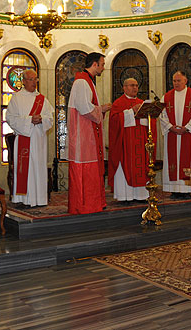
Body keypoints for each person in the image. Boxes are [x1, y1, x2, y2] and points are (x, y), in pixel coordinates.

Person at [67, 52, 111, 214]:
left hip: (88, 134)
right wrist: (102, 109)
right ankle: (84, 205)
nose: (103, 67)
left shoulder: (88, 81)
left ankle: (93, 204)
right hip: (83, 136)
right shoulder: (82, 82)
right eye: (102, 64)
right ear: (95, 64)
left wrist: (100, 110)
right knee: (85, 171)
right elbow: (84, 108)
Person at [6, 69, 54, 207]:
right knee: (25, 169)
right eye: (31, 79)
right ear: (24, 81)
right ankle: (23, 199)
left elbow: (50, 118)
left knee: (38, 168)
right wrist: (29, 120)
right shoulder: (17, 98)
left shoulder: (42, 99)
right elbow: (10, 118)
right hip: (24, 139)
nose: (34, 82)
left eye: (36, 79)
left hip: (38, 140)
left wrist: (42, 119)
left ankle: (39, 199)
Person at [108, 78, 156, 203]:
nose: (135, 88)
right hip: (125, 145)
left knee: (142, 166)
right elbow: (114, 122)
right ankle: (125, 196)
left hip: (141, 144)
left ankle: (141, 195)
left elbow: (151, 122)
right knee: (126, 165)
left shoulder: (142, 103)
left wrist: (147, 113)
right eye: (131, 85)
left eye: (136, 85)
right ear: (124, 88)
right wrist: (131, 112)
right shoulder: (118, 103)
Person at [160, 71, 191, 199]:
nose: (176, 83)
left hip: (187, 134)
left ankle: (187, 189)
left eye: (179, 80)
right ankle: (173, 189)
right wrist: (170, 127)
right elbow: (162, 115)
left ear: (185, 81)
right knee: (172, 161)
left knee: (188, 160)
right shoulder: (166, 97)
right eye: (174, 81)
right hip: (172, 135)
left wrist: (187, 128)